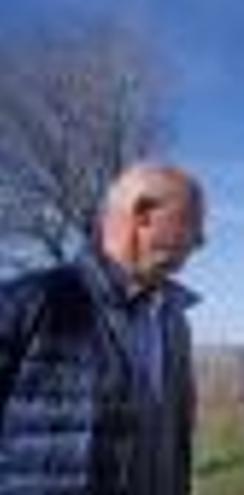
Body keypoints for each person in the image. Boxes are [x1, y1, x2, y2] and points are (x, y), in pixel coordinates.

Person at [0, 164, 205, 494]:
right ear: (143, 215)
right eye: (191, 223)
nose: (200, 241)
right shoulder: (30, 304)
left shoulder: (174, 319)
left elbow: (175, 441)